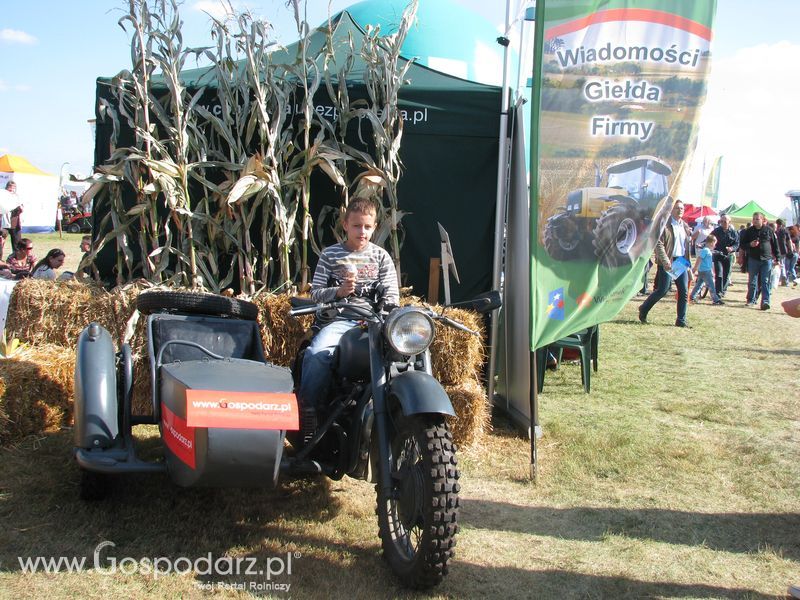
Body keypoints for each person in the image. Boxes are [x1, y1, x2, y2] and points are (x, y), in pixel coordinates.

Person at [298, 197, 400, 423]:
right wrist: (339, 292)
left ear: (374, 227)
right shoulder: (330, 255)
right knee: (316, 355)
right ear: (345, 225)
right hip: (339, 320)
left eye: (367, 226)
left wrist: (386, 314)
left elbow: (392, 295)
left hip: (374, 321)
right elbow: (315, 293)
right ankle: (307, 412)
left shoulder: (381, 257)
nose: (362, 231)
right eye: (356, 225)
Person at [639, 200, 694, 327]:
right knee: (662, 290)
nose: (680, 210)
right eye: (677, 208)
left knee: (683, 291)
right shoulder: (665, 224)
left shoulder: (684, 226)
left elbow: (686, 247)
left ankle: (681, 320)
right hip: (668, 260)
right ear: (671, 210)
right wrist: (665, 261)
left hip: (680, 261)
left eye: (682, 208)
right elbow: (658, 244)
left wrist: (688, 265)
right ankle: (644, 308)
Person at [738, 212, 780, 310]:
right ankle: (750, 300)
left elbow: (775, 245)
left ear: (762, 220)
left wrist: (778, 258)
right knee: (752, 281)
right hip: (753, 259)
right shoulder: (749, 231)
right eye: (754, 219)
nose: (755, 221)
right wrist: (750, 244)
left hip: (767, 259)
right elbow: (742, 245)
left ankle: (765, 302)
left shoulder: (768, 230)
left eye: (757, 219)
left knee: (765, 281)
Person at [689, 233, 724, 305]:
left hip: (703, 270)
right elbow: (699, 259)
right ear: (711, 243)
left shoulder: (707, 250)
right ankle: (715, 299)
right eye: (714, 244)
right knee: (711, 285)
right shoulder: (706, 250)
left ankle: (692, 297)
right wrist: (695, 268)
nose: (715, 246)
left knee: (699, 284)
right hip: (705, 271)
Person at [711, 214, 738, 297]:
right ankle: (718, 292)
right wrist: (702, 244)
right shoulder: (716, 231)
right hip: (718, 255)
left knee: (726, 274)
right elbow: (709, 239)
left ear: (729, 222)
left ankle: (723, 291)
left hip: (728, 256)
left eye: (725, 221)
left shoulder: (733, 232)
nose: (722, 223)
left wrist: (732, 248)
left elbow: (737, 244)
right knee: (719, 273)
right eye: (721, 221)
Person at [775, 219, 792, 285]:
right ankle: (783, 277)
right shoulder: (785, 231)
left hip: (776, 248)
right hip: (783, 249)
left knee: (779, 263)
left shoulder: (775, 230)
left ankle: (782, 276)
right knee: (782, 263)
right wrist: (791, 249)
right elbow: (789, 241)